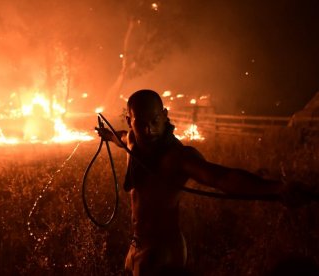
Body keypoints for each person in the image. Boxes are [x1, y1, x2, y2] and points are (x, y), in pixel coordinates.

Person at [96, 89, 300, 275]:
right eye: (141, 123)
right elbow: (121, 137)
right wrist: (108, 135)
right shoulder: (133, 141)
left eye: (155, 121)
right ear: (129, 120)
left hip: (162, 251)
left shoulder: (179, 157)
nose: (149, 130)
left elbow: (221, 177)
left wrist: (277, 188)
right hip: (136, 245)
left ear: (165, 116)